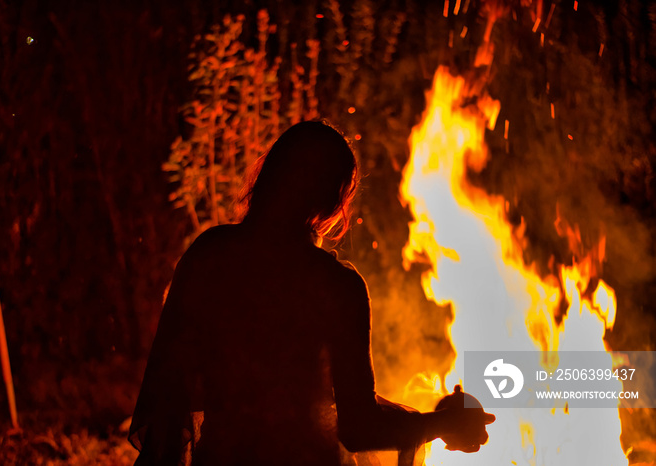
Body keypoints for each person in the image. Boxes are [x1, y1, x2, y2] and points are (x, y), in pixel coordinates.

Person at [129, 121, 494, 465]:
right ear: (334, 201)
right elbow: (359, 427)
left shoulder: (208, 255)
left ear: (269, 177)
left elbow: (169, 393)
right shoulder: (335, 285)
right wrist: (442, 425)